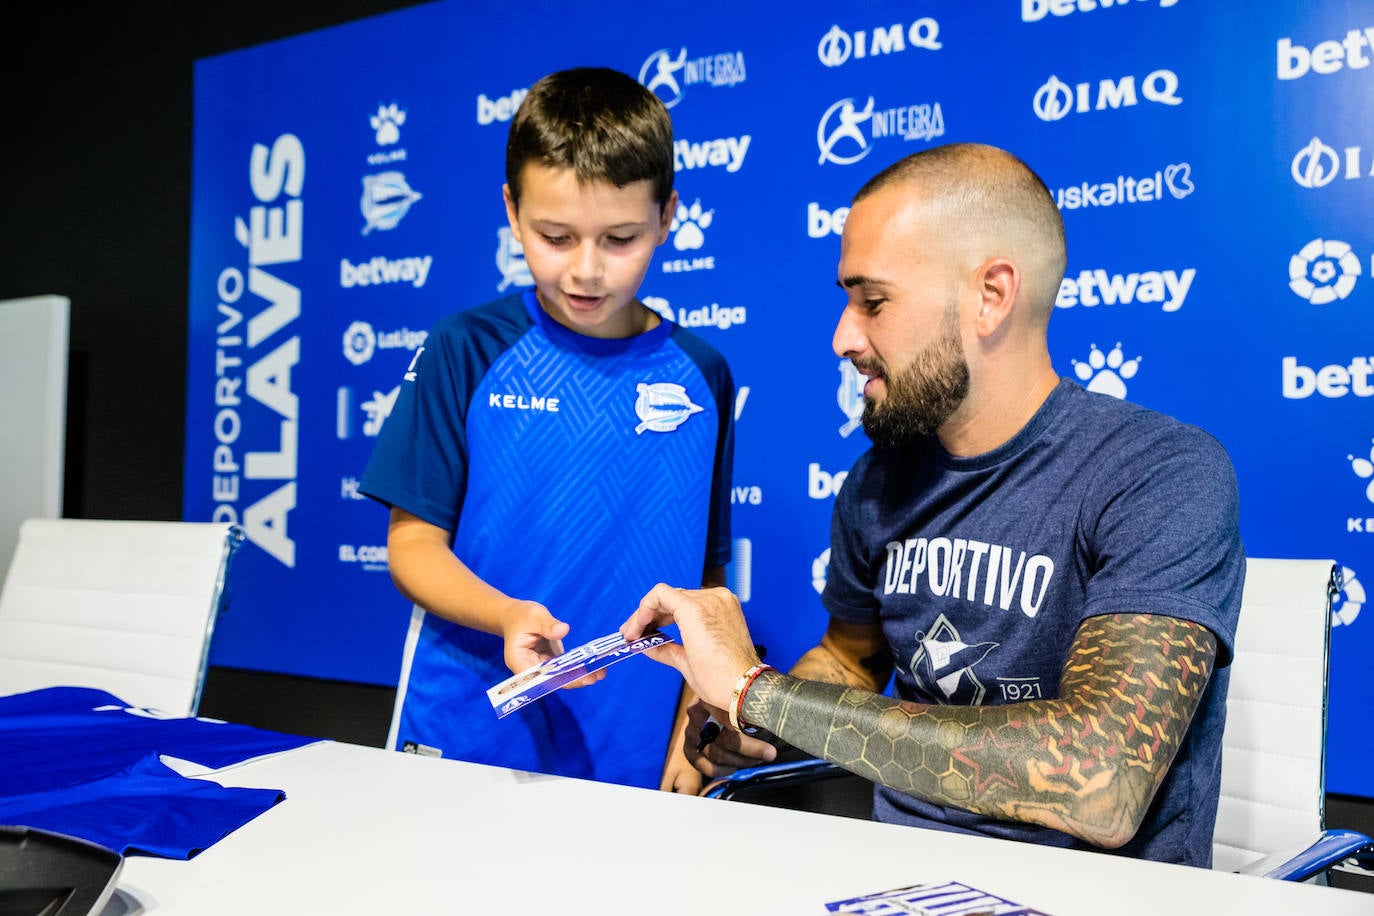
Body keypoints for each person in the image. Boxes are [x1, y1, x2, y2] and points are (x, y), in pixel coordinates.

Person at [621, 142, 1244, 866]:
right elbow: (851, 663)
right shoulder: (878, 483)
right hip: (891, 883)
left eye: (873, 301)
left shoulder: (1159, 474)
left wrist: (758, 690)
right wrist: (749, 720)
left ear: (991, 296)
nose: (842, 337)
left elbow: (1097, 781)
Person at [361, 67, 734, 793]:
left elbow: (705, 580)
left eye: (620, 238)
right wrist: (505, 614)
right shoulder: (466, 348)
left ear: (667, 217)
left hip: (635, 743)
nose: (586, 271)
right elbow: (411, 546)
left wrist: (697, 720)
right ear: (512, 210)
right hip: (467, 731)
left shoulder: (703, 374)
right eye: (555, 236)